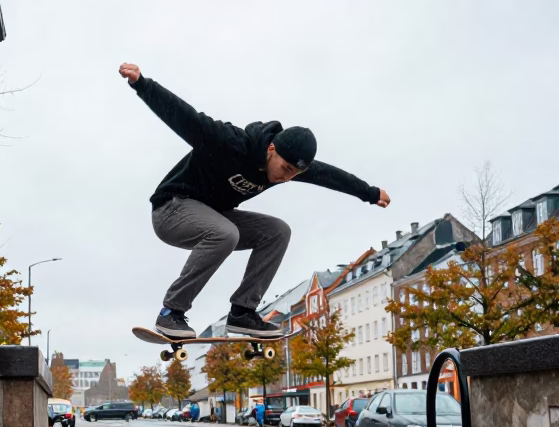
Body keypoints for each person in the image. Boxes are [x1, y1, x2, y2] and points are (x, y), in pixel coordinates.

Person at [119, 63, 390, 338]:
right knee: (225, 233)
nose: (285, 178)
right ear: (271, 149)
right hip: (170, 210)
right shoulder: (231, 142)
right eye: (285, 169)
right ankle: (171, 312)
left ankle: (242, 313)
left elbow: (330, 176)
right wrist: (143, 84)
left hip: (212, 217)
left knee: (277, 231)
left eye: (294, 174)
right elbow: (185, 117)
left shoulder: (289, 168)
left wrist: (369, 193)